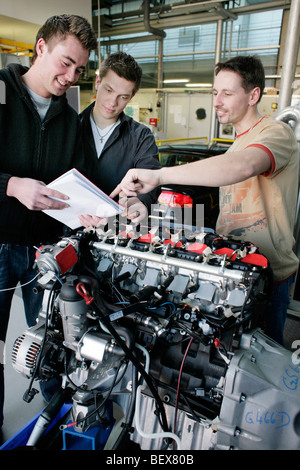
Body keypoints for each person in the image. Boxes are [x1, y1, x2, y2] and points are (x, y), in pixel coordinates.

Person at [111, 55, 299, 346]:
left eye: (227, 93)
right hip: (233, 270)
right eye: (214, 92)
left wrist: (160, 175)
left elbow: (244, 166)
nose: (217, 101)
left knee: (257, 363)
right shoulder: (236, 144)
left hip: (266, 275)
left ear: (253, 95)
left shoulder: (276, 133)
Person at [0, 14, 97, 430]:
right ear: (40, 47)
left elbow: (73, 182)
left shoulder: (69, 118)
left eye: (79, 69)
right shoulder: (1, 92)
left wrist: (83, 215)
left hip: (46, 250)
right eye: (65, 62)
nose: (71, 76)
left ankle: (56, 420)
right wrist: (11, 185)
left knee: (56, 342)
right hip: (0, 244)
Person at [78, 51, 161, 229]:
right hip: (70, 231)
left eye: (123, 97)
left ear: (131, 97)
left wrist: (138, 203)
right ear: (97, 83)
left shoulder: (141, 137)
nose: (113, 102)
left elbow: (150, 182)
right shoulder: (70, 127)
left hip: (117, 235)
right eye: (108, 90)